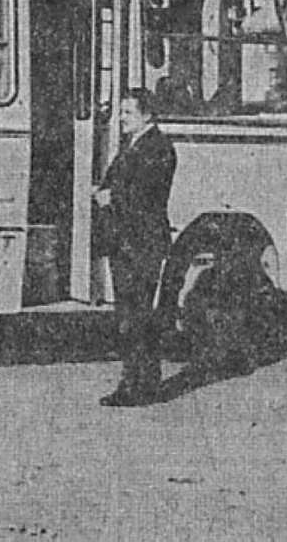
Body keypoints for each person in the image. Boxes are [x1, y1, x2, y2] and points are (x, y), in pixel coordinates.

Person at [93, 87, 177, 406]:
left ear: (146, 115)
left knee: (137, 317)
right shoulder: (135, 145)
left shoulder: (158, 147)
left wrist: (111, 197)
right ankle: (140, 383)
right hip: (127, 241)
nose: (122, 118)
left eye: (128, 112)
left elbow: (147, 196)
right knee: (130, 316)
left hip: (141, 242)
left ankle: (137, 387)